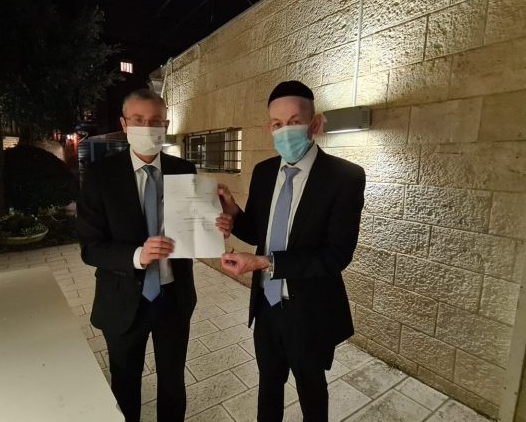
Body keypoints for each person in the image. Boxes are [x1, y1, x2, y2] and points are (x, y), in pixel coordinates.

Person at [77, 89, 232, 422]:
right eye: (138, 120)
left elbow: (196, 228)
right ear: (124, 124)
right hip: (122, 300)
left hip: (173, 297)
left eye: (155, 121)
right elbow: (90, 247)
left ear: (166, 125)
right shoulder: (100, 175)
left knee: (173, 382)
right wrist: (137, 254)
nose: (147, 128)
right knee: (124, 383)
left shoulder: (184, 169)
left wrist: (217, 225)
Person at [218, 81, 365, 421]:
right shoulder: (264, 172)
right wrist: (233, 213)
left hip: (309, 311)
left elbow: (337, 255)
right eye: (277, 124)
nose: (285, 131)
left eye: (295, 121)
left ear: (315, 124)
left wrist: (265, 262)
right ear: (270, 128)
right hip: (267, 306)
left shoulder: (345, 177)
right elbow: (258, 231)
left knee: (311, 391)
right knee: (268, 385)